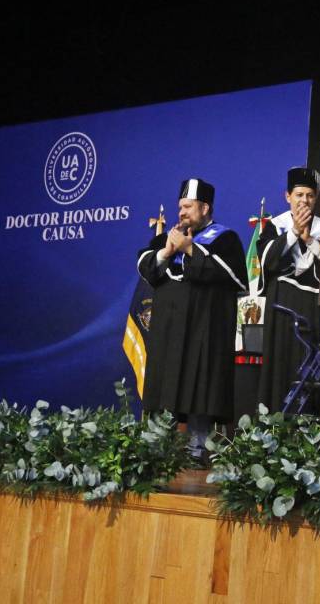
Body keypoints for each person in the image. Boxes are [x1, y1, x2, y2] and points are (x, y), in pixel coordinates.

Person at [137, 178, 247, 452]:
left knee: (200, 390)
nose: (182, 212)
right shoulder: (168, 237)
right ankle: (157, 452)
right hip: (168, 334)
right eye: (180, 207)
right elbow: (146, 268)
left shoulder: (225, 238)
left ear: (205, 208)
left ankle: (199, 450)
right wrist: (168, 250)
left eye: (188, 206)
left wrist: (189, 249)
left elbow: (234, 277)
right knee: (165, 389)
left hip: (203, 334)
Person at [256, 166, 320, 413]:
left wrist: (311, 241)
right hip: (282, 305)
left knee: (313, 365)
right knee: (281, 365)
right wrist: (292, 234)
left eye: (310, 195)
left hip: (315, 307)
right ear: (287, 196)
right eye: (299, 195)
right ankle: (276, 426)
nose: (304, 201)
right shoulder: (274, 226)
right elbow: (267, 260)